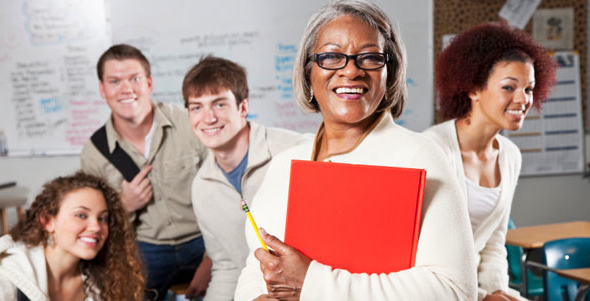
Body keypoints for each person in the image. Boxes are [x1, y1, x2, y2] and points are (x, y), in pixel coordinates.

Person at [234, 0, 477, 300]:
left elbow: (455, 291)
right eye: (332, 57)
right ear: (308, 72)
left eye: (370, 57)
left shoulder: (419, 157)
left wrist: (312, 284)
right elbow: (256, 264)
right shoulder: (285, 163)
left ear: (389, 73)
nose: (351, 71)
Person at [423, 22, 556, 301]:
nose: (523, 99)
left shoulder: (509, 156)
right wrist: (483, 297)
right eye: (509, 87)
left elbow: (494, 243)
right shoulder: (432, 149)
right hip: (433, 290)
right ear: (473, 89)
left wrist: (498, 291)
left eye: (529, 89)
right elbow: (420, 252)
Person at [80, 44, 209, 300]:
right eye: (115, 81)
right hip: (147, 248)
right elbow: (92, 225)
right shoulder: (94, 153)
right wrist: (124, 206)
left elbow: (227, 192)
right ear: (102, 90)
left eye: (134, 79)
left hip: (204, 240)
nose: (126, 89)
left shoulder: (191, 122)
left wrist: (214, 258)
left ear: (149, 84)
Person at [182, 55, 309, 300]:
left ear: (243, 107)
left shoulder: (295, 151)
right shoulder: (201, 187)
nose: (208, 118)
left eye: (219, 104)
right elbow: (227, 266)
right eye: (197, 107)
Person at [0, 172, 145, 300]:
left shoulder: (102, 284)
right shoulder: (5, 283)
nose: (96, 227)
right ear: (47, 221)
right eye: (81, 215)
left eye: (103, 218)